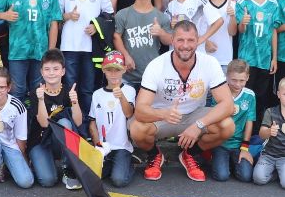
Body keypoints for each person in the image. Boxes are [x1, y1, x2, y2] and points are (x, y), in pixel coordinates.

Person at [130, 21, 236, 182]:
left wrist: (199, 125)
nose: (185, 45)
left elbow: (227, 104)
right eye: (180, 40)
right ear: (172, 40)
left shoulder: (210, 63)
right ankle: (155, 155)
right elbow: (140, 110)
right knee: (137, 128)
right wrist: (163, 114)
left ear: (198, 40)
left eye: (190, 40)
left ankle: (190, 154)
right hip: (164, 117)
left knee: (227, 126)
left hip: (194, 116)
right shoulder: (156, 65)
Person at [57, 0, 115, 114]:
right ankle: (70, 122)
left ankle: (89, 124)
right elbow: (55, 16)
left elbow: (109, 15)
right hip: (69, 47)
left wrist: (96, 27)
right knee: (70, 87)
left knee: (88, 88)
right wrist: (68, 15)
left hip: (91, 48)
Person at [28, 49, 85, 188]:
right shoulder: (37, 92)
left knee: (65, 123)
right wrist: (41, 100)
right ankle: (37, 161)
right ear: (41, 72)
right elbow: (43, 123)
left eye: (55, 68)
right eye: (47, 69)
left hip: (58, 140)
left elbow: (78, 122)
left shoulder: (69, 91)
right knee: (48, 181)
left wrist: (75, 102)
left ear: (63, 71)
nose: (51, 72)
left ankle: (67, 169)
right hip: (40, 141)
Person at [113, 0, 173, 85]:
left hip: (153, 77)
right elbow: (116, 36)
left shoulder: (161, 17)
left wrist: (160, 32)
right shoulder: (122, 14)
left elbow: (169, 40)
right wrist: (125, 56)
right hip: (127, 77)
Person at [89, 52, 138, 187]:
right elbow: (92, 122)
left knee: (119, 180)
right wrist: (97, 144)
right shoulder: (97, 94)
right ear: (104, 70)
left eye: (117, 70)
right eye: (109, 70)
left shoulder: (129, 90)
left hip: (121, 146)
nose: (113, 74)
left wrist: (121, 96)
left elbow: (129, 114)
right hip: (104, 147)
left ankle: (128, 163)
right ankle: (110, 164)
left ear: (124, 70)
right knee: (92, 176)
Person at [0, 67, 33, 187]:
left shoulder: (18, 106)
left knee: (26, 182)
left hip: (10, 145)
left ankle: (8, 163)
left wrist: (22, 160)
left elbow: (21, 137)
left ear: (8, 87)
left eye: (1, 87)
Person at [235, 0, 280, 112]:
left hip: (265, 58)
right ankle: (242, 130)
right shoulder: (243, 2)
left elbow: (273, 31)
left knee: (261, 96)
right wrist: (243, 22)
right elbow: (240, 30)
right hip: (247, 57)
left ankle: (257, 131)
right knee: (245, 93)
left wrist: (274, 58)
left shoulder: (273, 4)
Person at [212, 59, 258, 182]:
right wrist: (225, 112)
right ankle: (213, 157)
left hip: (239, 145)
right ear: (226, 76)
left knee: (246, 176)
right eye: (234, 80)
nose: (238, 84)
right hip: (220, 143)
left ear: (247, 77)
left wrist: (245, 147)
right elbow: (212, 119)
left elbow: (249, 121)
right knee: (222, 176)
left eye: (242, 80)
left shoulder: (250, 95)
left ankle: (231, 162)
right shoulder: (219, 93)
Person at [203, 0, 236, 70]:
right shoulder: (202, 3)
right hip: (204, 56)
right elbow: (197, 29)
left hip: (224, 58)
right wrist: (205, 42)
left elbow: (232, 32)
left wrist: (232, 16)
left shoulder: (233, 4)